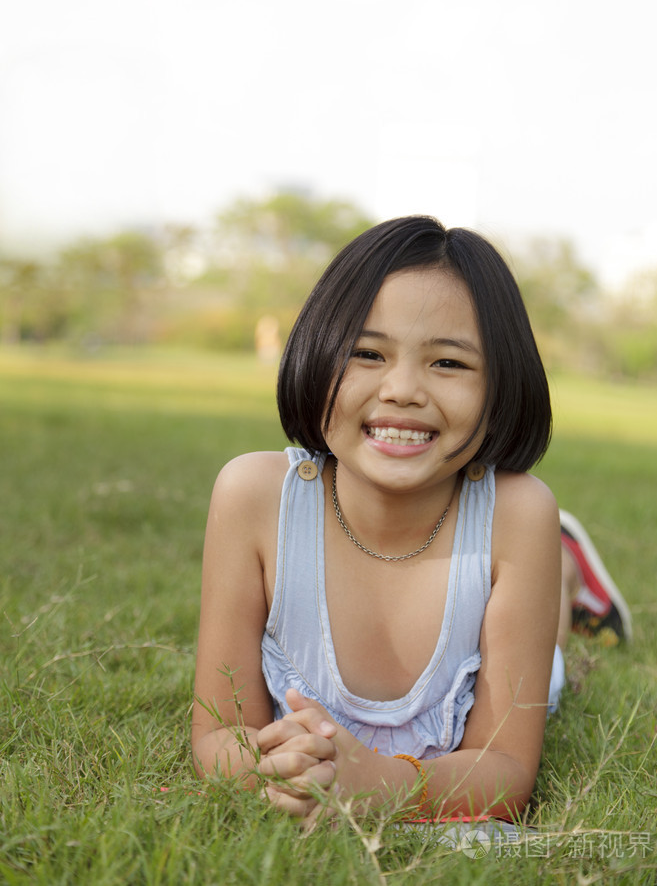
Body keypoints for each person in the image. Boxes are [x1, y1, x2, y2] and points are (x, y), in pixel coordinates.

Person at [192, 216, 631, 825]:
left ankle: (559, 573)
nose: (401, 389)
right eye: (367, 353)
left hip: (510, 552)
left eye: (448, 364)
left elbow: (504, 769)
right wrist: (295, 772)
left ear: (501, 385)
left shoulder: (520, 513)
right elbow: (216, 738)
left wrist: (373, 785)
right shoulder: (252, 496)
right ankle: (559, 572)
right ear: (316, 355)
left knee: (548, 668)